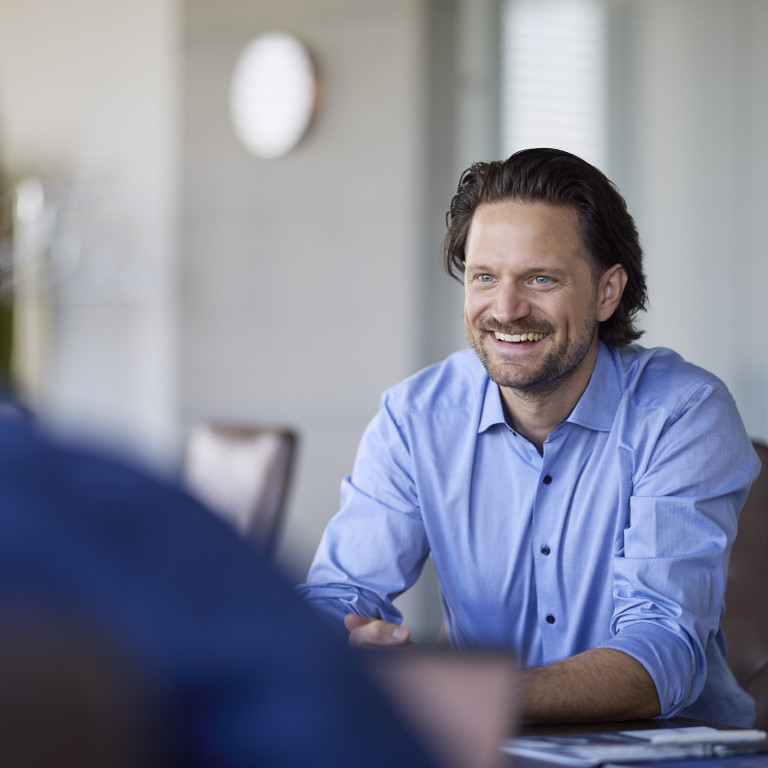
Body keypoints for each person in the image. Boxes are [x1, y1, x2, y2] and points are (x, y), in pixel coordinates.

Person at [298, 148, 761, 727]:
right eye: (484, 277)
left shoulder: (682, 414)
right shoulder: (416, 418)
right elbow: (339, 594)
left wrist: (459, 695)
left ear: (606, 291)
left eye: (540, 279)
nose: (507, 309)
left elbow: (664, 650)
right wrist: (344, 649)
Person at [0, 408, 441, 767]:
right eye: (482, 288)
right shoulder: (86, 506)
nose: (505, 308)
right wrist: (346, 636)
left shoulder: (65, 504)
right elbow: (336, 610)